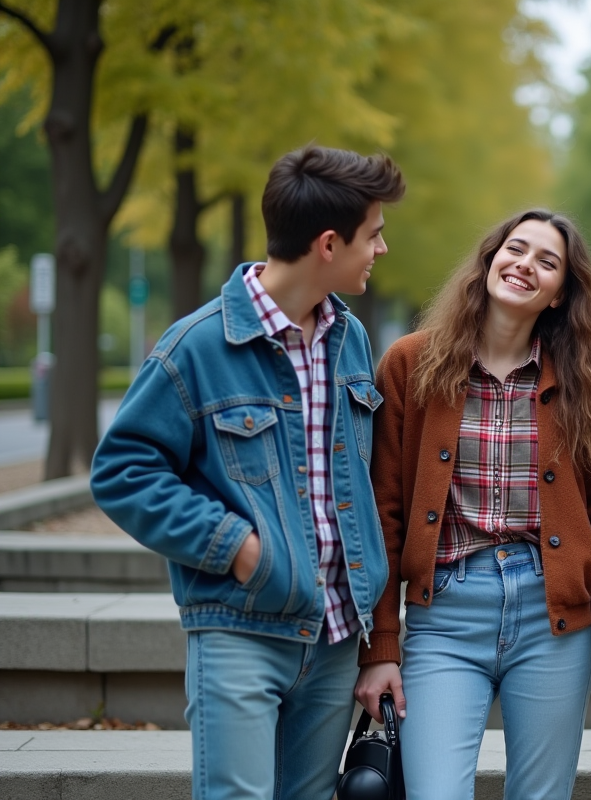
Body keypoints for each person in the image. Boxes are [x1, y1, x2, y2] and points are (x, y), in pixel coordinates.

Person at [91, 145, 404, 800]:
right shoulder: (197, 346)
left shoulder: (350, 340)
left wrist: (378, 641)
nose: (380, 248)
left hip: (336, 635)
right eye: (372, 235)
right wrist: (237, 548)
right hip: (241, 629)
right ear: (327, 244)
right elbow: (123, 471)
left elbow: (362, 489)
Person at [353, 209, 591, 800]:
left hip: (549, 618)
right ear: (490, 259)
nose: (525, 265)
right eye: (515, 249)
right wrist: (381, 646)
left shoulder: (583, 380)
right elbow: (383, 513)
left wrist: (588, 601)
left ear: (558, 295)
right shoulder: (411, 364)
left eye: (547, 262)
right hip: (445, 613)